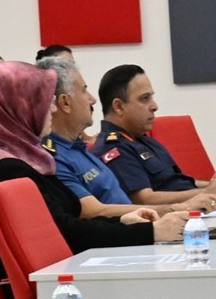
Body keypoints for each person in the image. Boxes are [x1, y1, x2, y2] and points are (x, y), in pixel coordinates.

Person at [0, 60, 183, 255]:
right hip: (59, 283)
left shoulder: (22, 160)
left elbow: (70, 220)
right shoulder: (6, 169)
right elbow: (65, 233)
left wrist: (123, 221)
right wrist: (149, 232)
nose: (52, 109)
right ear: (15, 107)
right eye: (41, 100)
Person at [95, 64, 216, 209]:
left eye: (151, 97)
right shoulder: (113, 148)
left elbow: (177, 183)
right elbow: (143, 200)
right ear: (119, 106)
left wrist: (215, 184)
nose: (154, 106)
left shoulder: (143, 139)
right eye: (145, 98)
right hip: (173, 216)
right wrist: (207, 192)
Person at [40, 58, 145, 220]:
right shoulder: (52, 158)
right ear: (65, 103)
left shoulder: (77, 146)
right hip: (121, 231)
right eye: (84, 90)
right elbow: (93, 212)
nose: (92, 100)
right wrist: (172, 209)